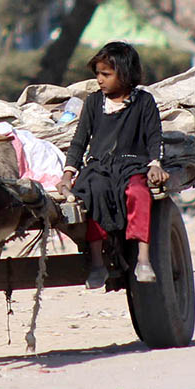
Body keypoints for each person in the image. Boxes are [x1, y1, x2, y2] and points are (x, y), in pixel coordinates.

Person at [57, 41, 169, 289]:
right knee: (93, 194)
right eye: (98, 74)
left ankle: (143, 258)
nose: (99, 79)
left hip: (132, 166)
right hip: (99, 167)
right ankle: (97, 262)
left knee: (139, 192)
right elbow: (79, 140)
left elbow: (154, 136)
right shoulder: (94, 103)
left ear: (125, 74)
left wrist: (154, 164)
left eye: (106, 74)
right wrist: (68, 173)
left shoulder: (144, 102)